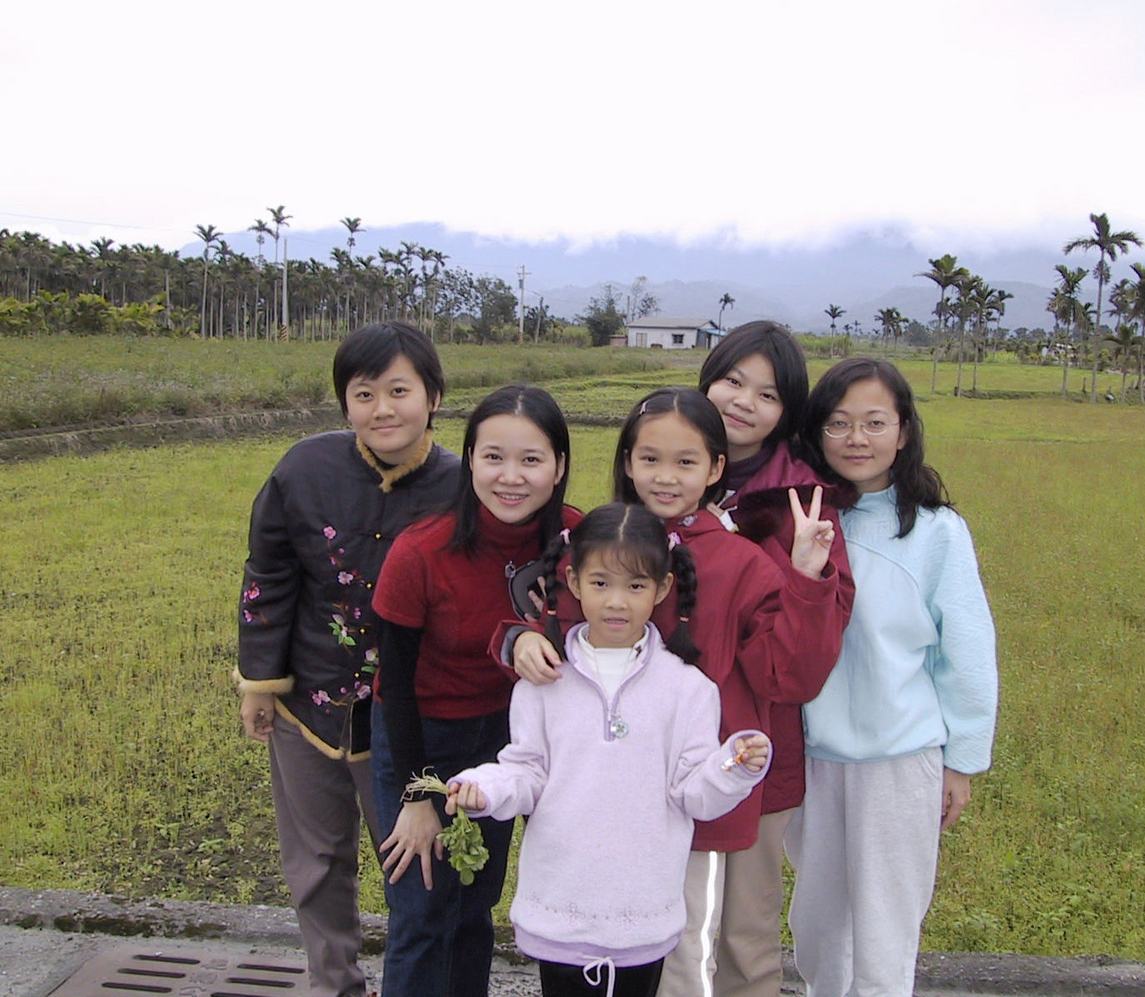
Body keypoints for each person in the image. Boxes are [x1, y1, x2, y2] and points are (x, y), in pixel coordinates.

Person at [510, 386, 846, 997]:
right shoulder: (596, 545)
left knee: (691, 951)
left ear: (715, 468)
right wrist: (518, 642)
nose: (665, 477)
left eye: (685, 461)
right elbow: (555, 639)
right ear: (627, 461)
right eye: (650, 459)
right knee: (612, 951)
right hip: (597, 802)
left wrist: (804, 577)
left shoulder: (741, 563)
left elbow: (789, 675)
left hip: (694, 788)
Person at [434, 503, 772, 997]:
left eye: (635, 586)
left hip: (643, 916)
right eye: (600, 583)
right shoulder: (543, 681)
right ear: (573, 583)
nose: (617, 602)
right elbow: (526, 772)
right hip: (561, 910)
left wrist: (733, 766)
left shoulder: (689, 689)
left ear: (662, 589)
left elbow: (693, 794)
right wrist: (482, 788)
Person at [235, 320, 459, 997]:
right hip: (307, 704)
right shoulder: (303, 469)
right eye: (364, 394)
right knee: (315, 863)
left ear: (433, 396)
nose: (382, 409)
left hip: (407, 718)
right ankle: (333, 984)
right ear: (345, 402)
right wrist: (259, 683)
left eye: (399, 391)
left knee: (419, 868)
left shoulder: (464, 487)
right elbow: (268, 574)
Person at [787, 358, 999, 997]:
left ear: (903, 431)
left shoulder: (936, 531)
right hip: (811, 758)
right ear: (816, 432)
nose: (857, 438)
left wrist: (962, 761)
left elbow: (967, 650)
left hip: (901, 762)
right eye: (838, 423)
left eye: (875, 423)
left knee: (885, 930)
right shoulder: (799, 519)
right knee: (817, 926)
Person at [370, 384, 581, 997]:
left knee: (474, 901)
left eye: (531, 459)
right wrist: (418, 794)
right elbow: (395, 685)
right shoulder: (421, 550)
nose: (510, 477)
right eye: (493, 457)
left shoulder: (578, 541)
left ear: (559, 466)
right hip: (425, 736)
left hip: (510, 740)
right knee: (421, 909)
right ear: (469, 461)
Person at [697, 321, 856, 997]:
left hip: (757, 746)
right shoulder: (663, 471)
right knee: (662, 927)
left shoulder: (803, 507)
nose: (743, 402)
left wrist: (803, 576)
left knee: (745, 935)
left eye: (767, 394)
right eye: (733, 381)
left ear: (787, 413)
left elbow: (799, 669)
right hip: (661, 748)